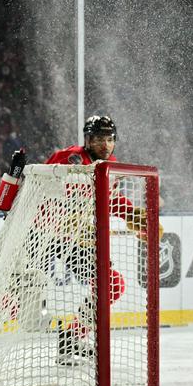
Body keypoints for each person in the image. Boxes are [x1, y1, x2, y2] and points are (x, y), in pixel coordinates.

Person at [44, 115, 152, 364]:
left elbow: (110, 199)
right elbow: (40, 187)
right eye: (100, 138)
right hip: (46, 234)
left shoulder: (110, 165)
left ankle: (70, 338)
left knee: (111, 284)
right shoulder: (68, 157)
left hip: (74, 240)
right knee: (18, 295)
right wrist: (59, 217)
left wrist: (131, 214)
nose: (106, 144)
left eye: (110, 139)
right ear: (88, 140)